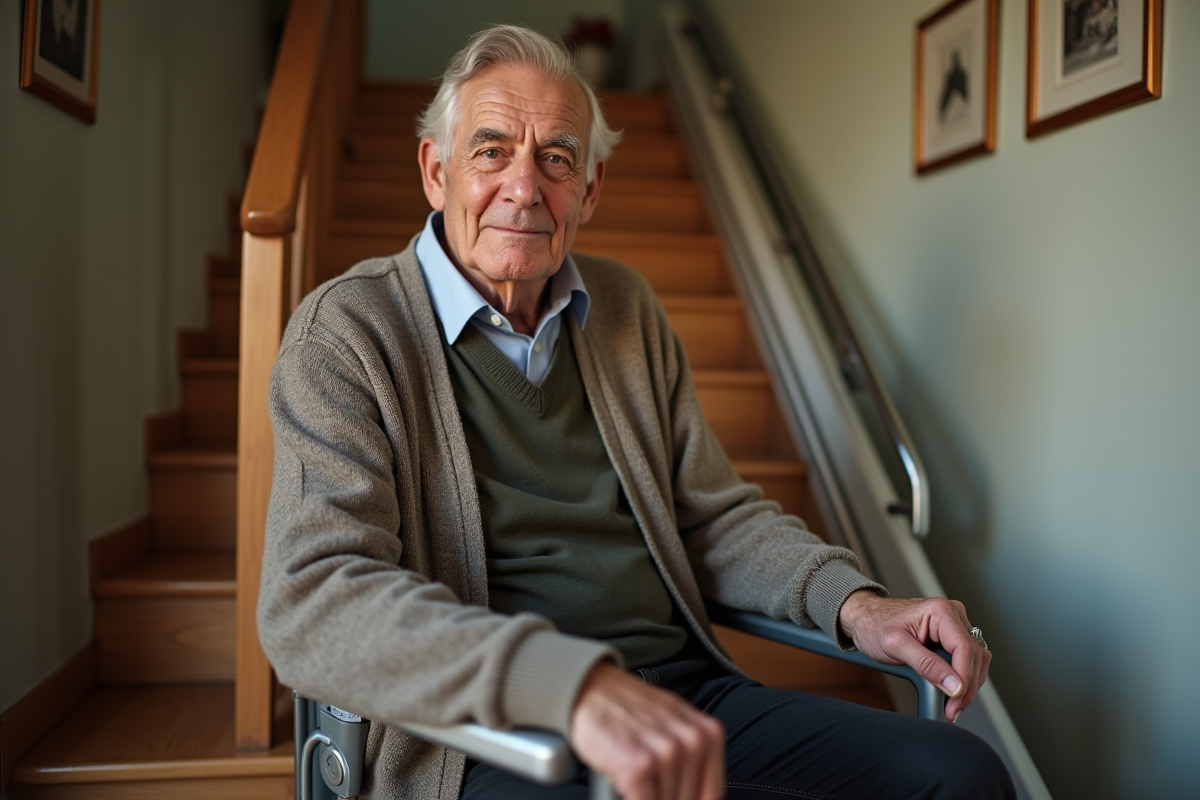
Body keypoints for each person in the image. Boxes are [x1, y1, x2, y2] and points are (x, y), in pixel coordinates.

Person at [258, 24, 1014, 800]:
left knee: (961, 774)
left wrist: (855, 606)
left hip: (680, 698)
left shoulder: (625, 309)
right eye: (490, 151)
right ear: (435, 169)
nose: (524, 187)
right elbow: (314, 596)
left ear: (589, 190)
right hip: (487, 738)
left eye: (557, 157)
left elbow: (715, 520)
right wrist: (569, 683)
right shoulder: (349, 334)